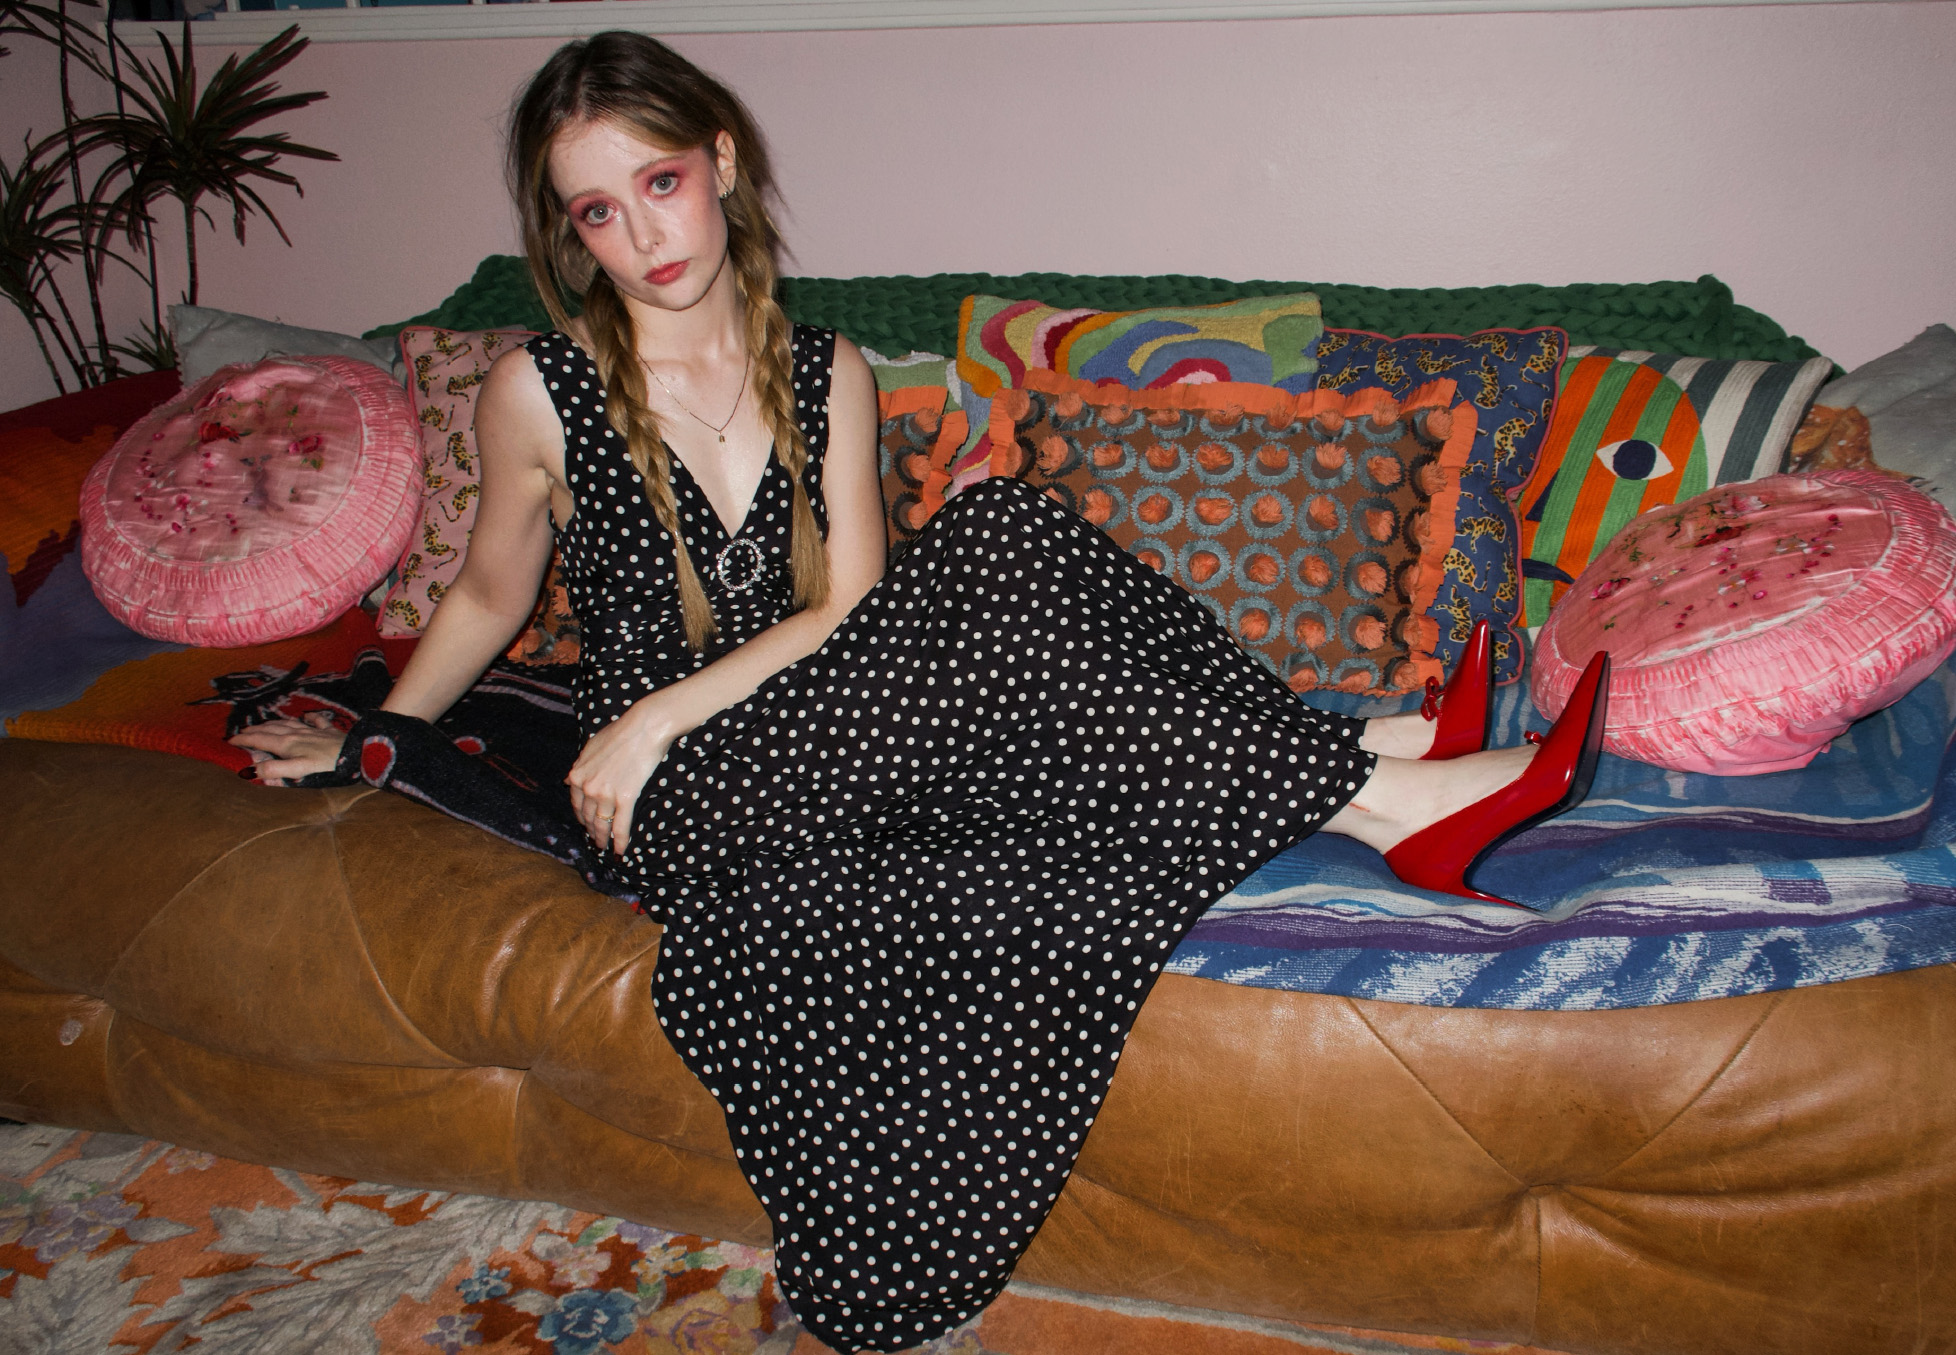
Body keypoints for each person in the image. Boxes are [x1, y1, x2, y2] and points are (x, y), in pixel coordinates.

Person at [230, 31, 1609, 1355]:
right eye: (598, 211)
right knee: (1005, 540)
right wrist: (395, 730)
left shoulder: (820, 370)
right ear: (568, 231)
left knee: (1002, 527)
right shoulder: (542, 391)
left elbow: (850, 615)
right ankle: (1386, 781)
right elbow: (484, 594)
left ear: (718, 162)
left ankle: (1374, 763)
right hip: (693, 788)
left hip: (837, 725)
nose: (646, 236)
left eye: (660, 183)